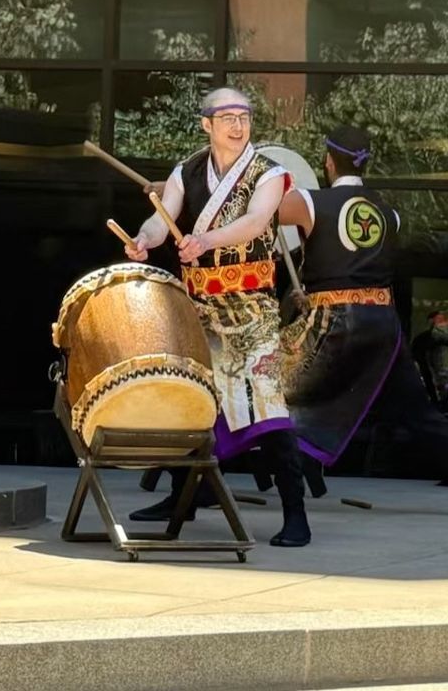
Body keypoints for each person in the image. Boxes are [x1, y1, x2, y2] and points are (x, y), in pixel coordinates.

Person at [274, 125, 448, 517]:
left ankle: (213, 487)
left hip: (336, 326)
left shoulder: (309, 202)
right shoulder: (389, 214)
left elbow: (260, 211)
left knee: (269, 387)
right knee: (420, 414)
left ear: (327, 162)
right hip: (382, 327)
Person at [123, 87, 312, 546]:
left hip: (252, 312)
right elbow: (161, 216)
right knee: (192, 406)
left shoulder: (268, 172)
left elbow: (255, 221)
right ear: (206, 124)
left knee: (268, 410)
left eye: (243, 116)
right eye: (226, 117)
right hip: (200, 311)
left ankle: (296, 514)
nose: (237, 125)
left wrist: (205, 242)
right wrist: (145, 240)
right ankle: (183, 499)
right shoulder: (186, 171)